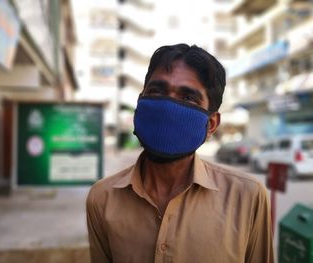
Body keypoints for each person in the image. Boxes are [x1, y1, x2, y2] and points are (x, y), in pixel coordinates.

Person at [86, 43, 274, 263]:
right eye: (157, 91)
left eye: (188, 98)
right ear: (140, 102)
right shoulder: (102, 199)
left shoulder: (247, 197)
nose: (167, 107)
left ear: (211, 124)